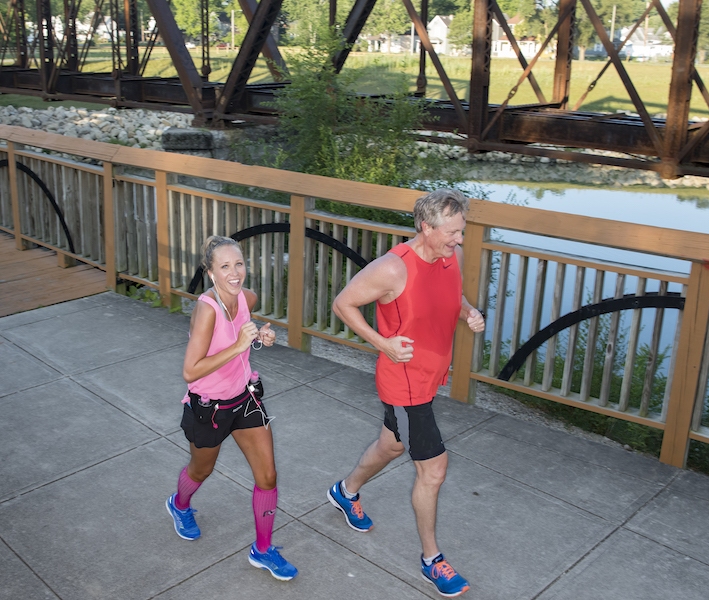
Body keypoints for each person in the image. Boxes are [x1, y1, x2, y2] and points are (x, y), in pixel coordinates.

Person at [328, 189, 485, 598]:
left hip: (431, 375)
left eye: (461, 231)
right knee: (433, 469)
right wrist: (383, 343)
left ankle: (344, 493)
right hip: (405, 384)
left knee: (392, 445)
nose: (459, 239)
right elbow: (343, 303)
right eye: (451, 232)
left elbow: (451, 296)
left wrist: (467, 311)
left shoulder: (451, 256)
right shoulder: (393, 269)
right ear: (426, 227)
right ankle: (431, 560)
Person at [165, 235, 297, 581]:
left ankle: (263, 550)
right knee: (200, 471)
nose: (234, 272)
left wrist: (259, 337)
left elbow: (246, 331)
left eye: (238, 264)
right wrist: (240, 344)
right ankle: (179, 505)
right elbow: (191, 371)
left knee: (268, 476)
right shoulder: (206, 310)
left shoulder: (246, 297)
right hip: (208, 407)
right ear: (210, 272)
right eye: (224, 266)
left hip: (245, 398)